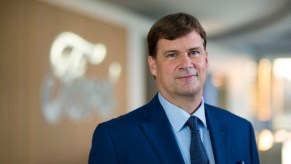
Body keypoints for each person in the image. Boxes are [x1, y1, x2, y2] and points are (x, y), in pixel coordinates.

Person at [89, 12, 260, 164]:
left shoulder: (241, 130)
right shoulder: (115, 137)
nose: (186, 64)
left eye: (194, 52)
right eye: (172, 55)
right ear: (153, 65)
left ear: (206, 60)